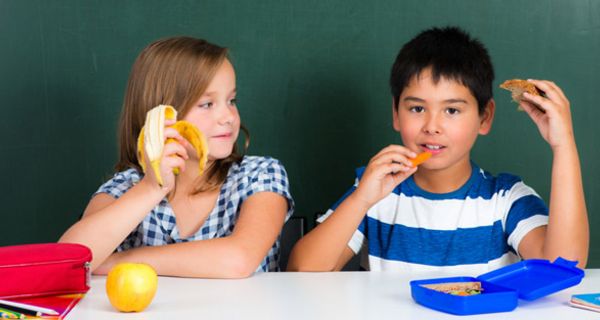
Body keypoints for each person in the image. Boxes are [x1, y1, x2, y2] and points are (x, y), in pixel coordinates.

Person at [287, 26, 588, 273]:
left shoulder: (505, 199)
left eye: (452, 111)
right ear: (396, 113)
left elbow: (563, 267)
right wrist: (362, 198)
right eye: (417, 108)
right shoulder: (376, 191)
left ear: (485, 117)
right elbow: (302, 272)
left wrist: (563, 147)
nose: (432, 126)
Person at [59, 36, 294, 278]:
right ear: (161, 116)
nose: (228, 117)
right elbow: (68, 260)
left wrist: (111, 262)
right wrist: (152, 188)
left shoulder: (260, 174)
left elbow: (238, 259)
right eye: (207, 104)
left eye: (231, 100)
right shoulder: (128, 187)